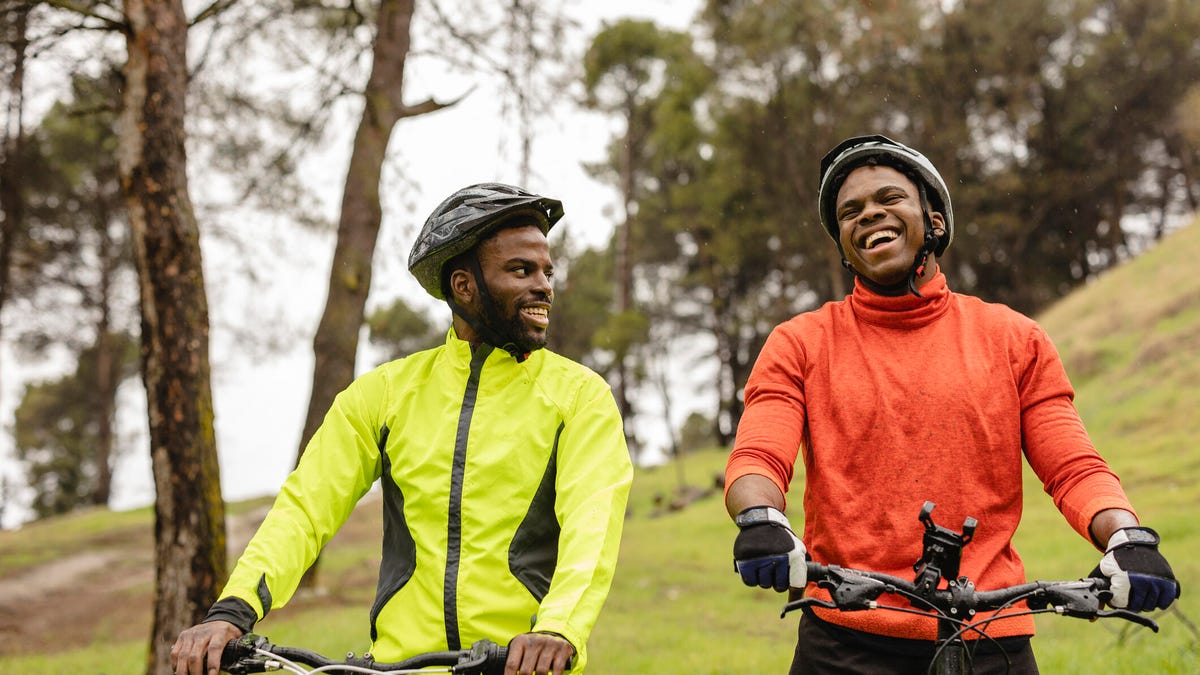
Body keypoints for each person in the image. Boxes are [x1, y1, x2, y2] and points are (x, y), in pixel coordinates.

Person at [724, 135, 1181, 674]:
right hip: (843, 640)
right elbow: (759, 454)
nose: (869, 213)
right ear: (844, 244)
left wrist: (1126, 536)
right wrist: (761, 519)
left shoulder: (1014, 339)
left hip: (992, 641)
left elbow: (1072, 466)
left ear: (934, 222)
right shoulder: (800, 342)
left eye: (889, 198)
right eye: (851, 211)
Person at [172, 183, 633, 675]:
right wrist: (233, 609)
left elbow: (593, 527)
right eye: (521, 270)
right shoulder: (384, 394)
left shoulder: (580, 396)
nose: (544, 286)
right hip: (398, 667)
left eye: (547, 271)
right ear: (464, 285)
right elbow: (306, 508)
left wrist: (557, 629)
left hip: (522, 667)